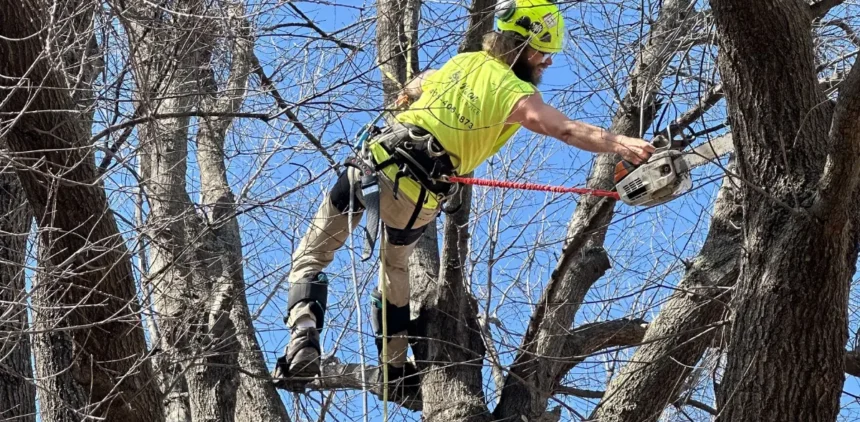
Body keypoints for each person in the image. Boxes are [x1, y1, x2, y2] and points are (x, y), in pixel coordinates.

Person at [271, 0, 655, 396]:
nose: (547, 63)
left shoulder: (462, 64)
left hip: (375, 166)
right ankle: (396, 370)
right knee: (395, 268)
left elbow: (421, 82)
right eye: (544, 52)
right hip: (417, 197)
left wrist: (407, 94)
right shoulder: (515, 91)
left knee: (313, 255)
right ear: (524, 46)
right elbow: (564, 129)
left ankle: (303, 334)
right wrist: (620, 143)